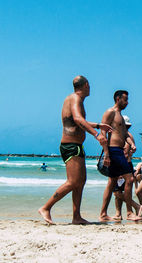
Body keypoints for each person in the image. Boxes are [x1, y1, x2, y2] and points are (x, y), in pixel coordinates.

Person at [38, 75, 112, 224]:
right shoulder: (75, 98)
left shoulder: (74, 100)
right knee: (73, 182)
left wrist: (98, 125)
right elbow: (78, 119)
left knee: (81, 181)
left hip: (76, 146)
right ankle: (46, 207)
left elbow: (76, 120)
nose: (90, 88)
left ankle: (76, 217)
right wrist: (97, 135)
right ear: (85, 85)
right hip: (70, 146)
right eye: (89, 85)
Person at [99, 91, 142, 221]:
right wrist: (106, 153)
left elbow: (123, 135)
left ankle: (103, 214)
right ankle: (129, 213)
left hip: (118, 150)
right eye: (125, 100)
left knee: (112, 182)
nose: (127, 102)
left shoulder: (121, 117)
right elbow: (102, 134)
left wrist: (131, 144)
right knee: (129, 179)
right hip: (113, 150)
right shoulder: (110, 112)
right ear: (118, 99)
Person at [112, 115, 142, 220]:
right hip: (125, 165)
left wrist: (121, 170)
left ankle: (136, 206)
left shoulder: (125, 136)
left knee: (117, 192)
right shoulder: (127, 135)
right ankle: (118, 214)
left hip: (123, 165)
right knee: (118, 192)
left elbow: (125, 154)